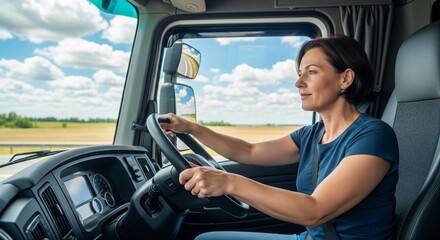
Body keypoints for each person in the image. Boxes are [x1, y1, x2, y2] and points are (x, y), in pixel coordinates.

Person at [160, 36, 399, 240]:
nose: (298, 82)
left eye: (312, 72)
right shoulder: (311, 135)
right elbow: (249, 151)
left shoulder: (374, 135)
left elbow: (315, 211)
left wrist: (229, 182)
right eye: (299, 73)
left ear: (345, 79)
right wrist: (192, 128)